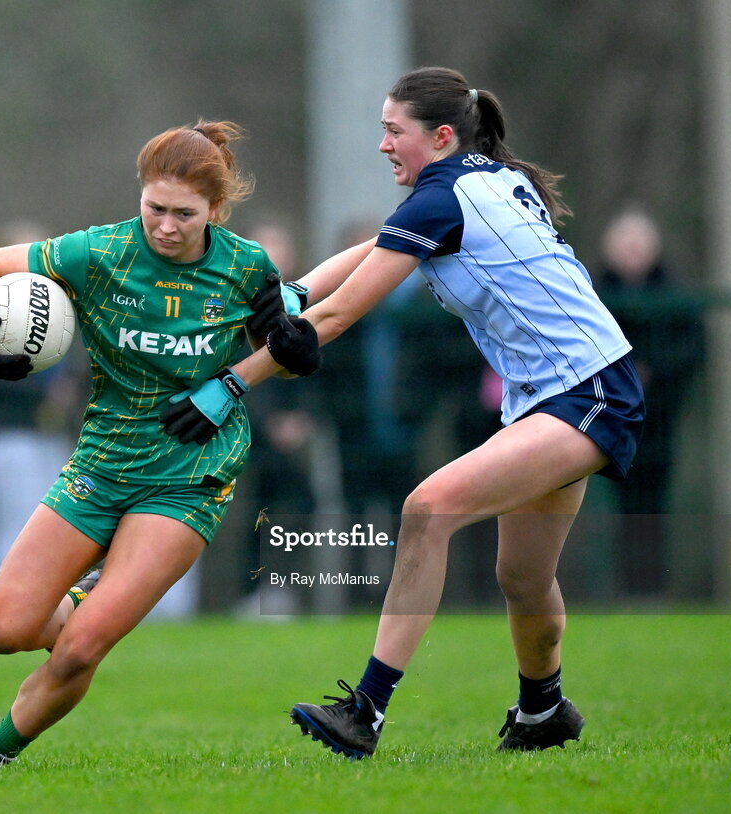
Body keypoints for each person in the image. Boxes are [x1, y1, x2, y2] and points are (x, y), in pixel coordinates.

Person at [162, 67, 645, 757]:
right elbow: (363, 257)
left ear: (441, 136)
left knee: (428, 509)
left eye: (395, 132)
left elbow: (335, 316)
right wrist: (288, 293)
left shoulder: (441, 200)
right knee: (523, 577)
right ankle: (543, 711)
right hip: (558, 393)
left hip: (591, 389)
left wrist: (228, 387)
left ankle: (366, 711)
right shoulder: (471, 179)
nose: (384, 145)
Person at [0, 120, 305, 767]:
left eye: (184, 214)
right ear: (140, 194)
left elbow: (273, 346)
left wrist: (290, 350)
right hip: (102, 464)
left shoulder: (246, 267)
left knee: (83, 647)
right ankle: (92, 600)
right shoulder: (100, 252)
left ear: (216, 212)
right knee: (5, 630)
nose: (165, 225)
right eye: (154, 208)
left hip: (189, 475)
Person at [0, 221, 84, 611]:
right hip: (7, 437)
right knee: (12, 525)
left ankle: (39, 605)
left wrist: (67, 389)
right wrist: (42, 393)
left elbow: (70, 368)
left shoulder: (56, 304)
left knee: (50, 527)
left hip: (48, 437)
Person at [597, 209, 703, 596]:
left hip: (658, 422)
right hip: (606, 421)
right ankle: (621, 588)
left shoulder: (674, 295)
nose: (632, 254)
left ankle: (654, 589)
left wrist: (652, 375)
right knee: (615, 509)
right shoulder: (593, 295)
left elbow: (691, 352)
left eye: (639, 246)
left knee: (656, 506)